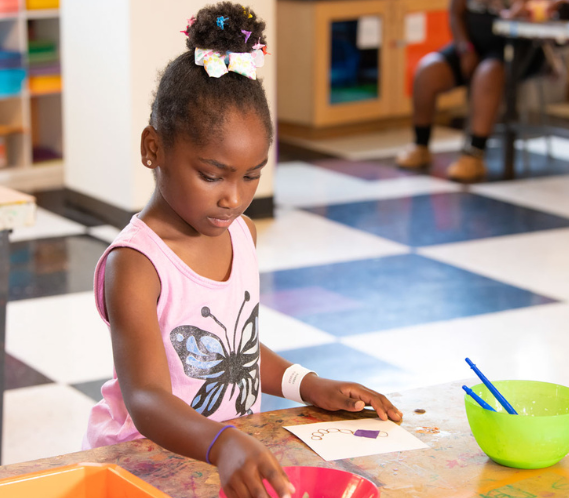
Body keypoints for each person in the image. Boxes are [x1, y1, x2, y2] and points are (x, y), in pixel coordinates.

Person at [81, 3, 403, 498]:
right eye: (211, 175)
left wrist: (307, 384)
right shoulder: (136, 265)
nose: (233, 196)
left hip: (222, 451)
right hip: (143, 461)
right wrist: (221, 443)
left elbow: (235, 355)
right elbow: (145, 398)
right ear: (154, 148)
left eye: (252, 175)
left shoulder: (241, 233)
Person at [396, 0, 566, 182]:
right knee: (427, 71)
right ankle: (420, 145)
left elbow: (551, 8)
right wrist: (465, 50)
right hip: (472, 46)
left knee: (488, 73)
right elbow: (455, 14)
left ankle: (474, 154)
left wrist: (529, 11)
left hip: (515, 49)